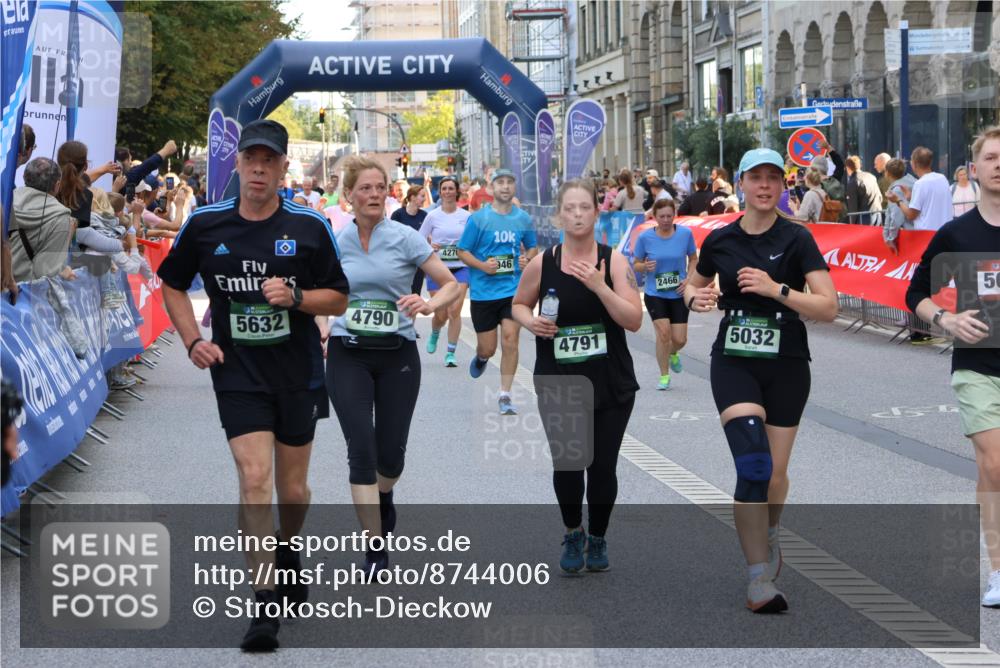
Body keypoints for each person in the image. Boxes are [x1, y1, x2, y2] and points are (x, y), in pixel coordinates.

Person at [157, 119, 350, 652]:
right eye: (251, 159)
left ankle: (288, 549)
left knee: (292, 490)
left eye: (270, 160)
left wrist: (298, 298)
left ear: (285, 167)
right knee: (254, 477)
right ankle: (263, 605)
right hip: (237, 372)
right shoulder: (205, 224)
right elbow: (171, 284)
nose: (259, 169)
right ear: (237, 164)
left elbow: (338, 297)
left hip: (297, 371)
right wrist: (194, 340)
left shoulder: (310, 226)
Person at [683, 148, 837, 614]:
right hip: (734, 360)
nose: (765, 186)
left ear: (782, 185)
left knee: (774, 474)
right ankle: (757, 580)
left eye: (774, 178)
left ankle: (770, 530)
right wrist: (695, 299)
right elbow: (691, 283)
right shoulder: (721, 239)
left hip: (788, 361)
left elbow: (828, 307)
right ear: (743, 185)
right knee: (753, 465)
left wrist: (777, 290)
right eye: (756, 178)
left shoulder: (797, 238)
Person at [327, 156, 459, 575]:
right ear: (348, 195)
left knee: (391, 457)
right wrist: (320, 327)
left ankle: (384, 496)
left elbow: (451, 284)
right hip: (348, 352)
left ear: (389, 193)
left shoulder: (405, 237)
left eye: (379, 188)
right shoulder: (334, 241)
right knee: (360, 450)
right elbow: (316, 291)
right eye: (364, 188)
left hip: (397, 353)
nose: (373, 195)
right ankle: (374, 546)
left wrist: (429, 302)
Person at [512, 178, 641, 574]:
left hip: (609, 379)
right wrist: (531, 323)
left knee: (602, 467)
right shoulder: (543, 262)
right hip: (559, 378)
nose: (578, 214)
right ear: (559, 216)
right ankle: (573, 531)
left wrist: (600, 288)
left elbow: (633, 320)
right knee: (568, 464)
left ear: (596, 212)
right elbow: (517, 304)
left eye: (585, 207)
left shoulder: (613, 261)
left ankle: (598, 536)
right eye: (570, 208)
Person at [905, 126, 1000, 609]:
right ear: (975, 168)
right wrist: (946, 318)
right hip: (978, 366)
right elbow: (914, 293)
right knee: (997, 462)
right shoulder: (957, 233)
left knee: (992, 471)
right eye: (991, 157)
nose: (999, 164)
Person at [457, 168, 539, 415]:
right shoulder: (478, 219)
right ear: (491, 188)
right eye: (500, 182)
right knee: (488, 348)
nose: (505, 186)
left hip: (513, 291)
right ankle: (482, 358)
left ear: (514, 188)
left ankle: (505, 394)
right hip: (483, 293)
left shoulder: (523, 218)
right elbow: (462, 251)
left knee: (510, 339)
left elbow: (533, 248)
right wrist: (483, 266)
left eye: (510, 182)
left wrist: (527, 259)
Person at [632, 198, 697, 390]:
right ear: (655, 217)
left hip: (678, 292)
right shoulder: (645, 237)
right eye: (662, 216)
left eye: (670, 216)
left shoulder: (685, 234)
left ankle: (672, 353)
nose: (666, 220)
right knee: (664, 334)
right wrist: (644, 266)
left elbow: (693, 259)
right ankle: (664, 375)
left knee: (679, 339)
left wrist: (689, 280)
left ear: (674, 215)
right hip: (655, 293)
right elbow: (636, 263)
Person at [418, 176, 471, 367]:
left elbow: (474, 240)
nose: (447, 192)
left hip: (460, 267)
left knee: (454, 310)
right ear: (439, 192)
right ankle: (435, 332)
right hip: (438, 269)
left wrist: (463, 247)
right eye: (444, 189)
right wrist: (431, 245)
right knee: (440, 313)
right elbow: (419, 238)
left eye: (451, 188)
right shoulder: (432, 216)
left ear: (457, 192)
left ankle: (450, 352)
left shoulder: (466, 217)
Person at [9, 158, 75, 282]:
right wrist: (62, 270)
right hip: (23, 295)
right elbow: (48, 272)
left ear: (24, 176)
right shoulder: (60, 216)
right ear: (57, 185)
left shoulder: (5, 200)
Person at [885, 146, 952, 232]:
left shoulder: (920, 184)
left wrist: (898, 201)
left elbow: (911, 215)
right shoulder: (942, 178)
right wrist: (911, 197)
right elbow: (929, 201)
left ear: (914, 164)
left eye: (911, 160)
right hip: (944, 232)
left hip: (927, 235)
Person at [390, 185, 430, 296]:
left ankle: (412, 314)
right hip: (401, 260)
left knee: (415, 294)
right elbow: (391, 237)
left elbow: (428, 237)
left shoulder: (424, 215)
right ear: (412, 197)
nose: (424, 199)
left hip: (418, 261)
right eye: (422, 196)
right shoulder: (398, 214)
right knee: (401, 294)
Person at [882, 158, 916, 255]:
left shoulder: (896, 190)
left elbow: (896, 217)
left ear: (887, 173)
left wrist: (890, 238)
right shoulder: (912, 181)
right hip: (919, 230)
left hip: (911, 233)